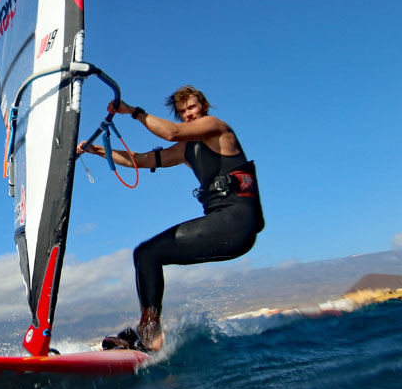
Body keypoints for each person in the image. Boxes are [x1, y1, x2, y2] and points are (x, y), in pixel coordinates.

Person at [79, 85, 264, 351]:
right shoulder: (185, 149)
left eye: (192, 108)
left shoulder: (216, 127)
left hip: (236, 220)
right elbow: (140, 160)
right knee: (146, 255)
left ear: (203, 106)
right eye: (182, 111)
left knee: (148, 254)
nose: (188, 114)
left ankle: (149, 334)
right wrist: (98, 151)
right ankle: (150, 333)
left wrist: (132, 111)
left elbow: (170, 132)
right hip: (225, 227)